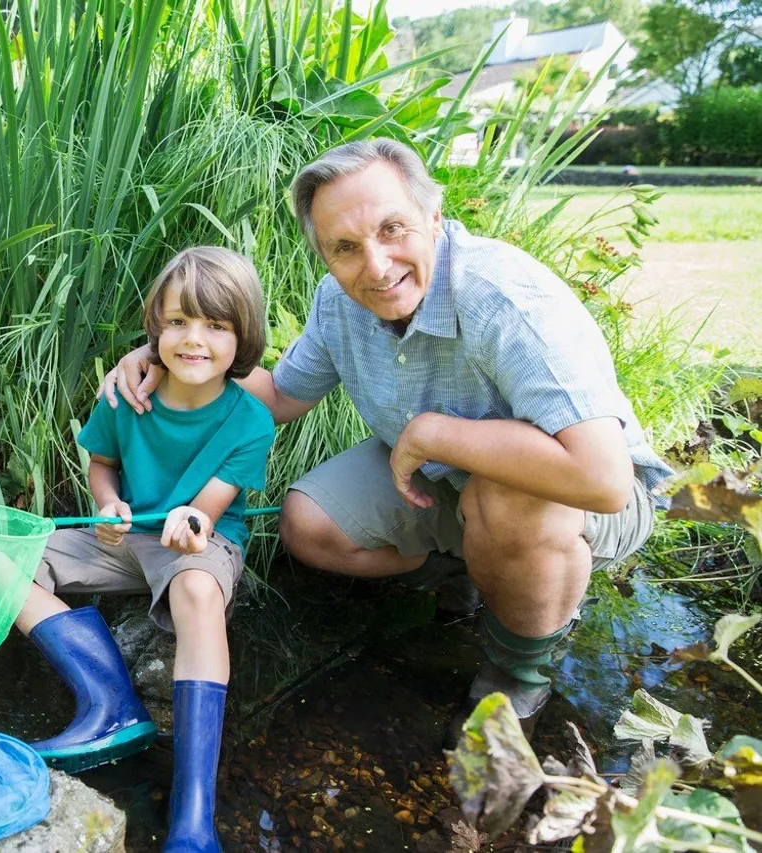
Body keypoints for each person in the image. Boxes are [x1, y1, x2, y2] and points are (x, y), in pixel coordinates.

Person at [102, 139, 672, 733]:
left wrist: (433, 434)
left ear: (434, 216)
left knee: (501, 498)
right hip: (440, 480)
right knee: (309, 523)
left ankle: (518, 672)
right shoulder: (340, 304)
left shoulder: (504, 300)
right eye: (344, 248)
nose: (375, 266)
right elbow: (277, 397)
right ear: (324, 255)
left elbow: (601, 480)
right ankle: (475, 575)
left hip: (581, 497)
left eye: (393, 229)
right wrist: (173, 358)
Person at [15, 247, 275, 852]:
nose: (194, 340)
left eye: (216, 326)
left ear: (244, 338)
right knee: (4, 563)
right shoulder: (123, 397)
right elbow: (101, 464)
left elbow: (204, 516)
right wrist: (106, 505)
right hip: (124, 540)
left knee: (195, 589)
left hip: (195, 542)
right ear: (155, 327)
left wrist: (192, 523)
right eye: (178, 321)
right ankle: (108, 702)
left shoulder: (250, 422)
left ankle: (192, 815)